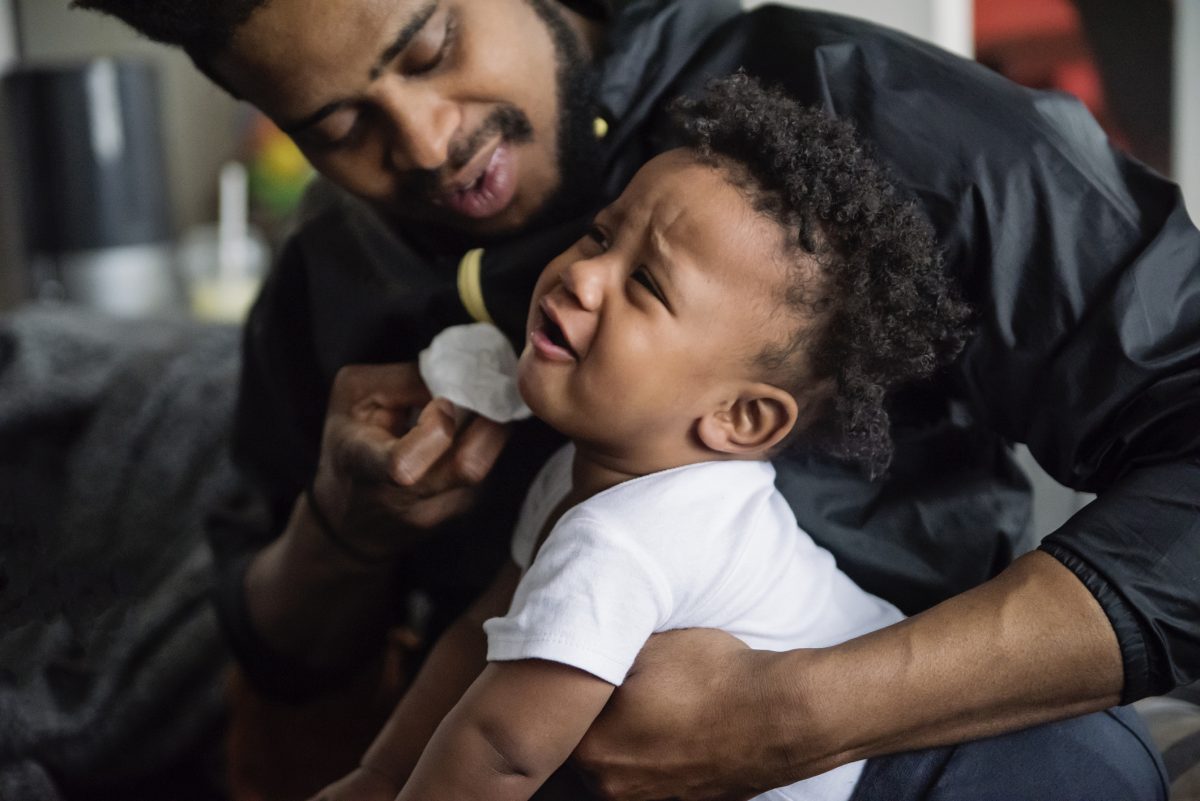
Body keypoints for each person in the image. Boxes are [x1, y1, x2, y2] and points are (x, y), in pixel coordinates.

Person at [71, 1, 1199, 799]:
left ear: (751, 418)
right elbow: (347, 645)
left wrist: (797, 715)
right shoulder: (327, 278)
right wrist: (342, 532)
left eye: (432, 43)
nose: (425, 143)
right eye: (337, 128)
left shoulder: (861, 118)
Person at [311, 73, 1163, 801]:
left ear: (742, 418)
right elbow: (481, 629)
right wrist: (375, 776)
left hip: (971, 773)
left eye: (646, 285)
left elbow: (502, 750)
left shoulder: (624, 539)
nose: (583, 273)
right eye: (601, 234)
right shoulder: (587, 474)